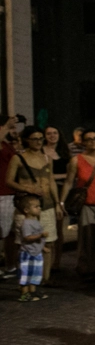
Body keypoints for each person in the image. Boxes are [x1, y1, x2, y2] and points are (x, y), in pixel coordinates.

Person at [7, 126, 63, 285]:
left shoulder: (47, 158)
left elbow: (51, 180)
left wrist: (58, 203)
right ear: (26, 140)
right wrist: (26, 188)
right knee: (24, 244)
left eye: (40, 138)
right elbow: (8, 181)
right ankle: (25, 281)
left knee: (49, 241)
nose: (38, 142)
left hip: (46, 205)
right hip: (26, 208)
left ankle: (43, 279)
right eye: (35, 139)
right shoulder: (18, 158)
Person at [60, 130, 95, 280]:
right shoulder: (77, 160)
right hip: (87, 204)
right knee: (88, 236)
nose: (93, 142)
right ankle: (87, 267)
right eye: (89, 139)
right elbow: (69, 182)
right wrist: (62, 202)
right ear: (83, 142)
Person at [16, 196, 46, 302]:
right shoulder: (26, 223)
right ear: (26, 210)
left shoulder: (36, 221)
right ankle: (24, 293)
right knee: (26, 273)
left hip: (36, 252)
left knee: (35, 273)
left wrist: (43, 247)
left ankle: (33, 291)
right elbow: (27, 237)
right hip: (27, 253)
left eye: (39, 206)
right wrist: (40, 236)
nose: (39, 208)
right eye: (36, 207)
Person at [0, 116, 20, 275]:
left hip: (11, 192)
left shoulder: (7, 145)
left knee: (11, 232)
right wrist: (6, 125)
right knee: (3, 230)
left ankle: (10, 264)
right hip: (2, 193)